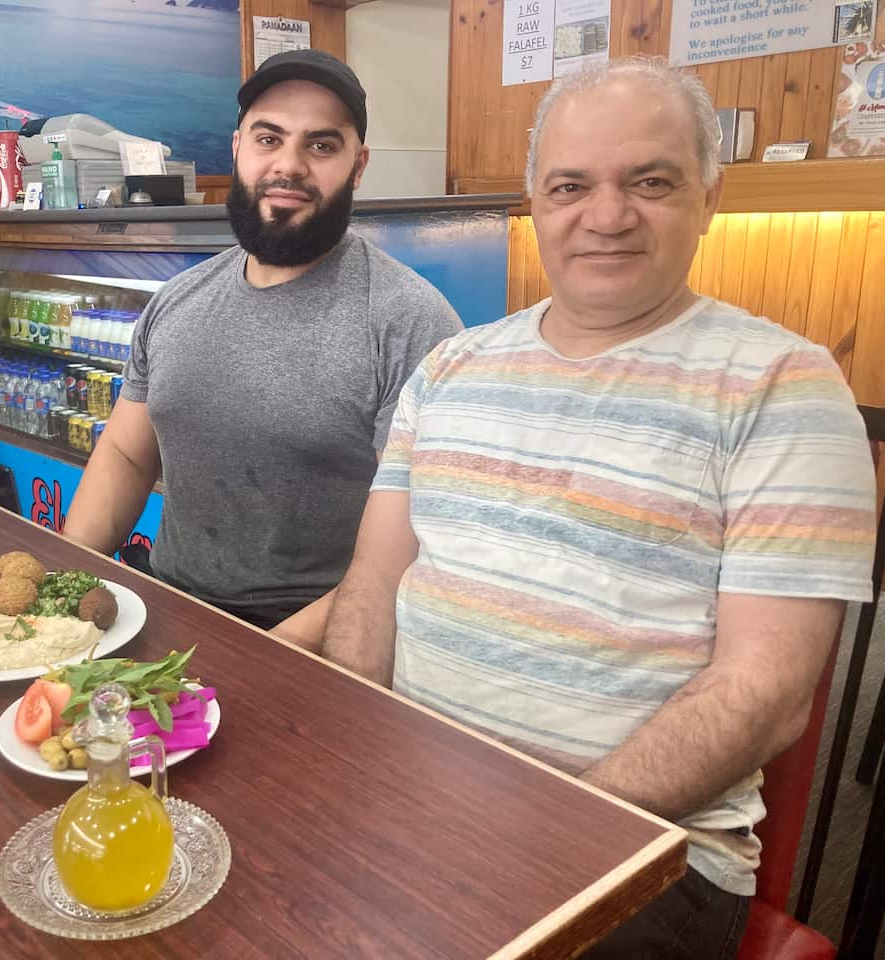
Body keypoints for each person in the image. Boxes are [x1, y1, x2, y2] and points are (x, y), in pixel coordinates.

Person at [323, 56, 877, 959]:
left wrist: (550, 835)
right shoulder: (450, 367)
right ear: (536, 203)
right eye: (571, 186)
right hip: (411, 798)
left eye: (650, 182)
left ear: (709, 196)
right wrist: (356, 755)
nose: (606, 216)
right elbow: (374, 581)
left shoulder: (785, 388)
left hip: (639, 851)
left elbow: (766, 692)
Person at [62, 49, 460, 647]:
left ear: (358, 166)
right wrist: (66, 584)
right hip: (169, 608)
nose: (289, 165)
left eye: (321, 145)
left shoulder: (409, 320)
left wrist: (264, 660)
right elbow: (126, 454)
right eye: (268, 138)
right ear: (238, 149)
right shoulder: (177, 300)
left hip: (323, 639)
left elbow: (414, 541)